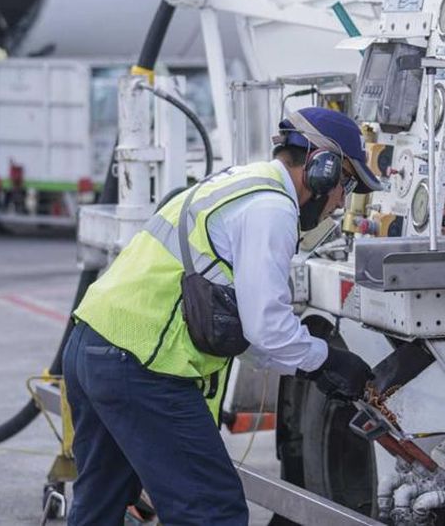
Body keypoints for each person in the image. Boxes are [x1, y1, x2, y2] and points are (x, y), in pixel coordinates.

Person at [62, 106, 381, 525]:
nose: (341, 202)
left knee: (100, 502)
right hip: (142, 366)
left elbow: (243, 327)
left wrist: (306, 362)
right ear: (322, 168)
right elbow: (266, 328)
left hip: (93, 347)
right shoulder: (273, 208)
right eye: (347, 184)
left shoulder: (240, 183)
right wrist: (325, 361)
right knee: (212, 510)